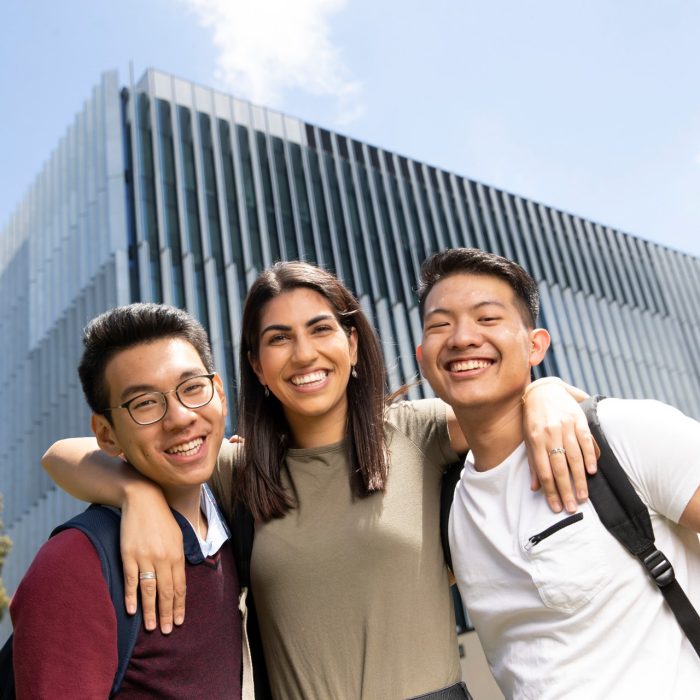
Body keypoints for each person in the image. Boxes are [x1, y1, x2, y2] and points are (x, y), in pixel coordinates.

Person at [43, 261, 595, 700]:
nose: (304, 353)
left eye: (321, 329)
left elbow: (508, 407)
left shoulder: (414, 433)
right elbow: (59, 455)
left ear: (352, 344)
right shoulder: (238, 471)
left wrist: (542, 391)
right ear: (257, 367)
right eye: (279, 338)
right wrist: (132, 491)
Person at [416, 247, 700, 698]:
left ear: (536, 345)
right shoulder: (448, 506)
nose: (462, 337)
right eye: (440, 324)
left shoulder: (624, 434)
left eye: (487, 319)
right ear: (423, 354)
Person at [11, 303, 246, 698]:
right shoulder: (75, 562)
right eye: (145, 404)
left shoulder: (240, 514)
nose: (180, 418)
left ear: (218, 393)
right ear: (106, 434)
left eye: (192, 388)